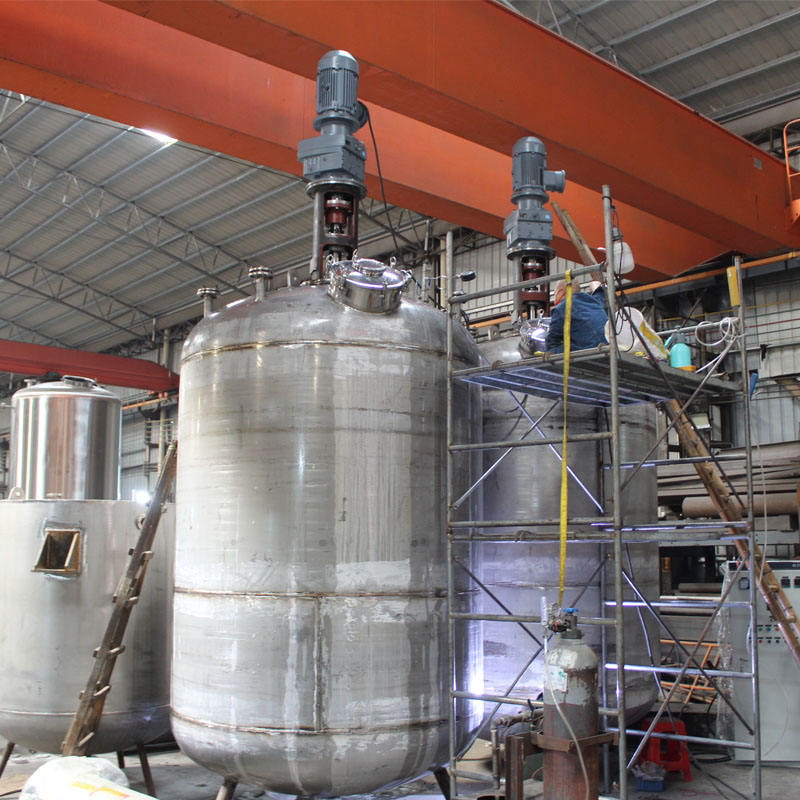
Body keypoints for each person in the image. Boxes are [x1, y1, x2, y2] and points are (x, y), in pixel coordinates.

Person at [545, 277, 608, 353]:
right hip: (608, 345)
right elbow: (599, 294)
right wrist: (598, 287)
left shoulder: (561, 307)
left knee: (550, 351)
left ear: (560, 292)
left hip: (590, 349)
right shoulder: (593, 301)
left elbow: (552, 341)